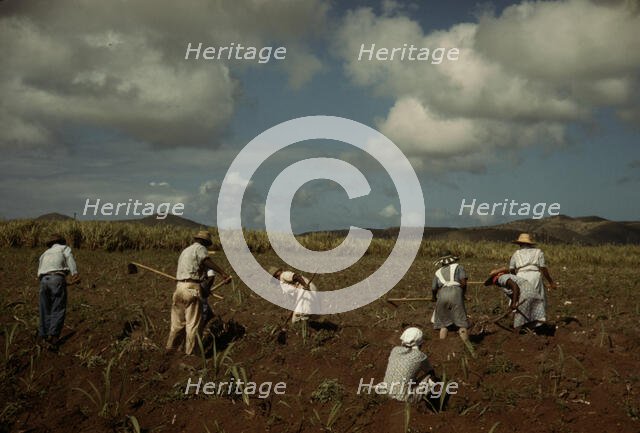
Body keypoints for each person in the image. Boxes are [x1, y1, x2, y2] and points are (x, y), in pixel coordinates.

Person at [166, 231, 231, 355]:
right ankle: (191, 354)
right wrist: (223, 273)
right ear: (205, 242)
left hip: (179, 288)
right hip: (191, 288)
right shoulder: (200, 249)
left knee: (177, 324)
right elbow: (206, 261)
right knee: (193, 324)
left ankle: (170, 350)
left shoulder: (185, 251)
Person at [37, 233, 80, 349]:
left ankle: (43, 336)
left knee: (45, 309)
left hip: (44, 281)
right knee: (58, 308)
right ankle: (53, 337)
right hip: (57, 279)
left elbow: (43, 270)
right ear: (61, 242)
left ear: (50, 244)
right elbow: (69, 259)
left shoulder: (44, 253)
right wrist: (74, 273)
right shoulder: (64, 248)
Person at [378, 327, 437, 403]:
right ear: (420, 343)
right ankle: (429, 401)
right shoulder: (420, 356)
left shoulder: (394, 350)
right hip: (403, 398)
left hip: (385, 391)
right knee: (430, 377)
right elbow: (431, 372)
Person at [509, 233, 557, 310]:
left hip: (520, 276)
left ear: (520, 243)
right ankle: (537, 316)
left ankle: (519, 314)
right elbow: (543, 268)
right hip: (535, 276)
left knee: (520, 296)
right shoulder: (538, 252)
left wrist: (515, 278)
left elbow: (511, 269)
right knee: (536, 298)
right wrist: (551, 282)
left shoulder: (516, 254)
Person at [431, 251, 469, 342]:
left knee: (443, 324)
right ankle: (467, 346)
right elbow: (463, 283)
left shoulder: (438, 272)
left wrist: (434, 298)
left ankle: (442, 346)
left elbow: (433, 288)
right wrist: (462, 295)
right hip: (456, 292)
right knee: (461, 323)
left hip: (442, 295)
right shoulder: (458, 267)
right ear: (452, 260)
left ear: (442, 262)